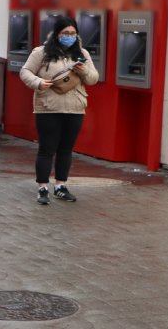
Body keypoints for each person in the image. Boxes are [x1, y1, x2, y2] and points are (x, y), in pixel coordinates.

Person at [20, 16, 99, 205]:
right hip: (48, 107)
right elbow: (25, 71)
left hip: (75, 108)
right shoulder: (42, 52)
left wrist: (84, 71)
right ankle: (42, 188)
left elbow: (93, 79)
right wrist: (38, 83)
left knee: (66, 150)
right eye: (65, 33)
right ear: (57, 34)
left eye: (73, 33)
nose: (69, 37)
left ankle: (61, 186)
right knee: (47, 149)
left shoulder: (82, 54)